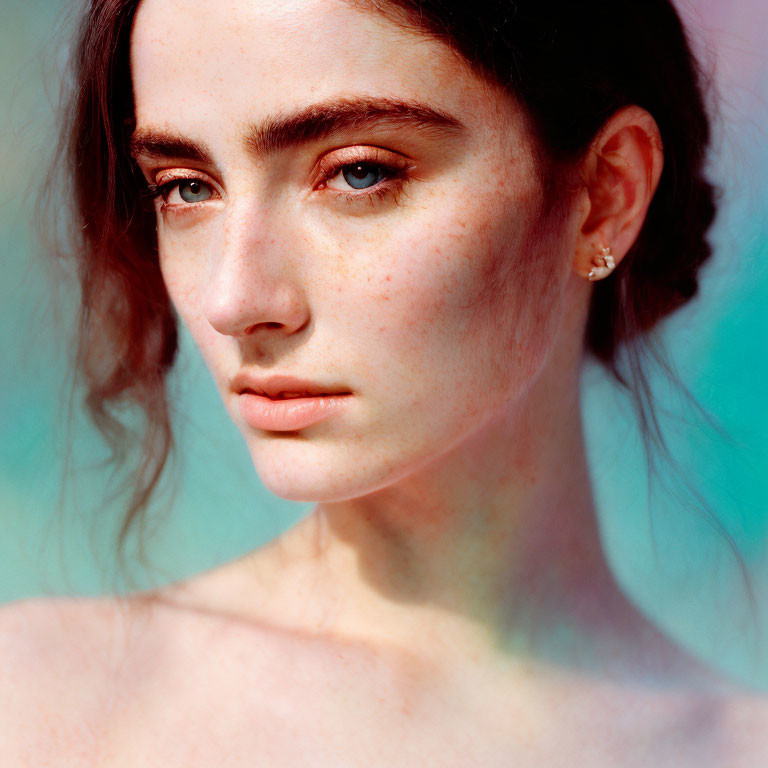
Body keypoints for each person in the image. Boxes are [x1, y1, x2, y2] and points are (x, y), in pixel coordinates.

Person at [1, 0, 766, 764]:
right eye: (186, 187)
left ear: (606, 194)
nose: (234, 300)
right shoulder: (44, 702)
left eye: (357, 173)